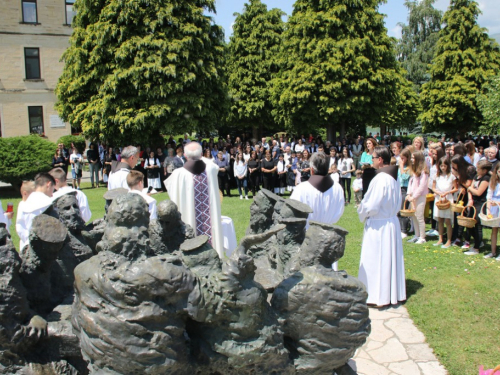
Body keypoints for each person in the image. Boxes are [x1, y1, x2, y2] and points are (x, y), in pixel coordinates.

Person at [358, 146, 406, 306]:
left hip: (378, 225)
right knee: (387, 259)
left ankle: (376, 294)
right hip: (390, 222)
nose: (371, 160)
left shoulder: (380, 179)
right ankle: (389, 292)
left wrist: (361, 209)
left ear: (380, 160)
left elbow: (372, 205)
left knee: (376, 259)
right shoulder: (393, 178)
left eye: (372, 158)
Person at [165, 142, 224, 258]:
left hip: (190, 221)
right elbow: (210, 164)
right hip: (210, 221)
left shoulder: (178, 174)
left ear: (185, 156)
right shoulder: (211, 169)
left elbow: (172, 193)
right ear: (201, 154)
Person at [290, 151, 345, 229]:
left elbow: (292, 213)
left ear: (311, 170)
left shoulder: (301, 188)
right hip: (328, 233)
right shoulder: (338, 188)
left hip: (307, 234)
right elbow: (339, 212)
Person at [17, 173, 55, 254]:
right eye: (53, 189)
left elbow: (19, 227)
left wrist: (27, 239)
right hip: (46, 247)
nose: (52, 193)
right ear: (48, 184)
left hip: (27, 246)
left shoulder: (25, 203)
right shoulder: (49, 203)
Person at [463, 160, 491, 255]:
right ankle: (478, 241)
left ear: (484, 170)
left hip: (480, 203)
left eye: (479, 169)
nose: (477, 170)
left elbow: (479, 192)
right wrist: (470, 199)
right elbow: (470, 190)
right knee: (469, 224)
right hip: (473, 202)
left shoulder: (486, 178)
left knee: (477, 225)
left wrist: (470, 188)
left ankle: (476, 248)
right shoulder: (476, 176)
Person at [432, 157, 457, 248]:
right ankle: (440, 239)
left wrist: (447, 192)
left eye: (445, 166)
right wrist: (438, 192)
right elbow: (433, 187)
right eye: (441, 166)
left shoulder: (451, 176)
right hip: (439, 198)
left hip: (447, 198)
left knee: (448, 220)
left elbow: (455, 188)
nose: (443, 168)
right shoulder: (436, 176)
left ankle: (449, 240)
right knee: (440, 220)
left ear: (448, 166)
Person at [406, 151, 429, 244]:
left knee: (419, 216)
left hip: (420, 197)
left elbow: (422, 186)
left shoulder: (424, 171)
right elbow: (411, 183)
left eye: (413, 158)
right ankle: (417, 235)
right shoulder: (414, 170)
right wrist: (409, 194)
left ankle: (422, 237)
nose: (411, 159)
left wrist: (414, 196)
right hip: (413, 197)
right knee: (413, 216)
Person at [484, 162, 500, 260]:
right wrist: (488, 210)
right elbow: (489, 196)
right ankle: (493, 251)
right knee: (494, 230)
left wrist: (498, 203)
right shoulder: (493, 181)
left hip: (498, 204)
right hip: (494, 207)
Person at [397, 148, 412, 239]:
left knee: (404, 209)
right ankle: (399, 228)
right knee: (398, 210)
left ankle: (404, 230)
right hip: (399, 188)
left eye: (403, 158)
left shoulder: (409, 168)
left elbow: (404, 176)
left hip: (405, 189)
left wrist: (402, 166)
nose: (401, 160)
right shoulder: (399, 167)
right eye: (400, 158)